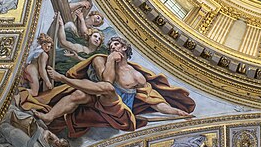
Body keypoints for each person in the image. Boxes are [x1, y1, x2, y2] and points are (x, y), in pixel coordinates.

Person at [22, 36, 194, 137]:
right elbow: (106, 79)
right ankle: (49, 117)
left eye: (116, 46)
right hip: (99, 100)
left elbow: (155, 102)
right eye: (111, 47)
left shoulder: (136, 75)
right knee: (79, 95)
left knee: (109, 89)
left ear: (125, 48)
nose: (112, 48)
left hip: (120, 112)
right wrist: (110, 60)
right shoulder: (103, 61)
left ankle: (62, 79)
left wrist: (176, 112)